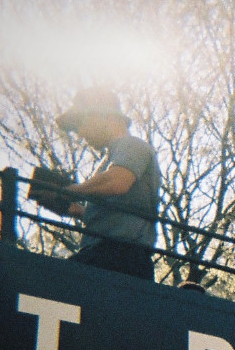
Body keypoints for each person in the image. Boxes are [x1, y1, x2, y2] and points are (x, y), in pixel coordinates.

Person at [50, 88, 161, 280]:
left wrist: (69, 191)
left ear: (105, 116)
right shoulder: (109, 158)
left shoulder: (132, 145)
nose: (80, 133)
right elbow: (116, 212)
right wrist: (74, 210)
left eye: (80, 124)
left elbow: (118, 182)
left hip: (120, 256)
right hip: (106, 253)